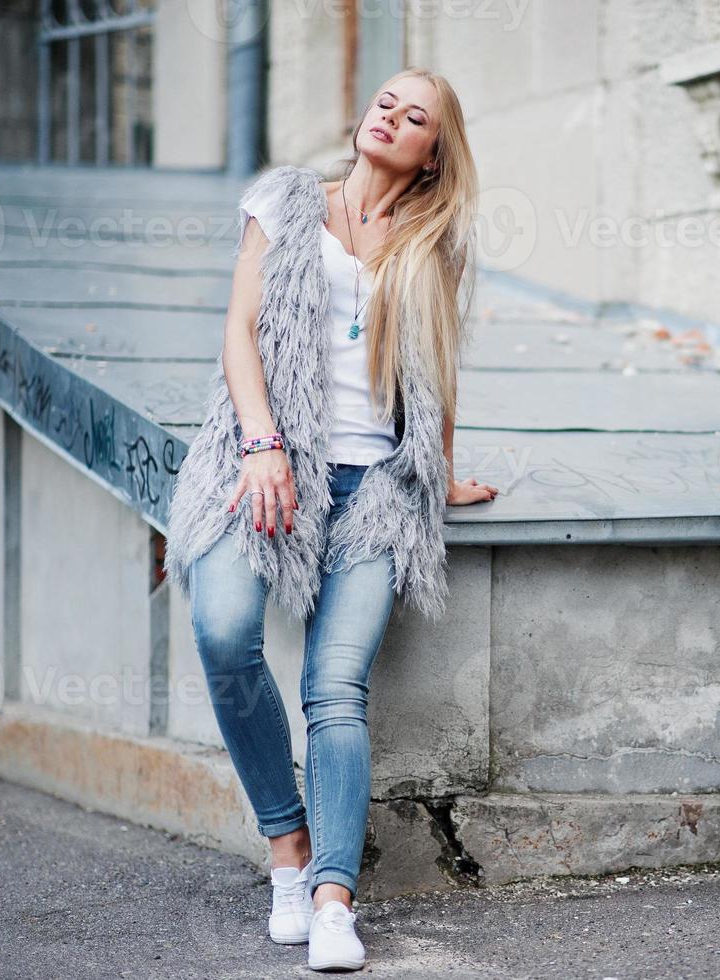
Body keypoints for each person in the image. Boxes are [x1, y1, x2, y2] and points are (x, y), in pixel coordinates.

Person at [164, 67, 497, 972]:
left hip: (377, 490)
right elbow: (239, 331)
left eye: (414, 115)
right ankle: (288, 853)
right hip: (265, 464)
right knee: (224, 631)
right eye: (384, 102)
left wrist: (444, 472)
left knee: (335, 690)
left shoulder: (433, 240)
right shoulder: (283, 202)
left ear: (434, 153)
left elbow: (435, 372)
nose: (390, 117)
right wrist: (263, 444)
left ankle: (334, 900)